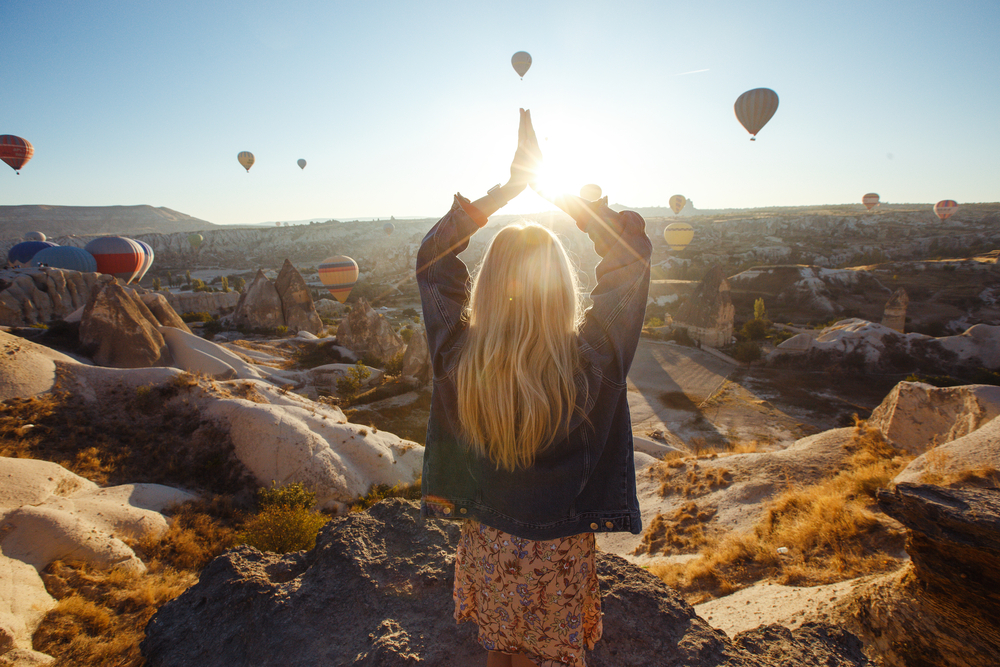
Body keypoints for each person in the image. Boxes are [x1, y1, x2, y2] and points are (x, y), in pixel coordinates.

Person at [416, 109, 652, 667]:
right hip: (560, 551)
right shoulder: (592, 358)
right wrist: (568, 200)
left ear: (491, 288)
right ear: (559, 286)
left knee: (503, 650)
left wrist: (508, 190)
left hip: (489, 542)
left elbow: (432, 262)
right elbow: (631, 263)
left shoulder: (458, 354)